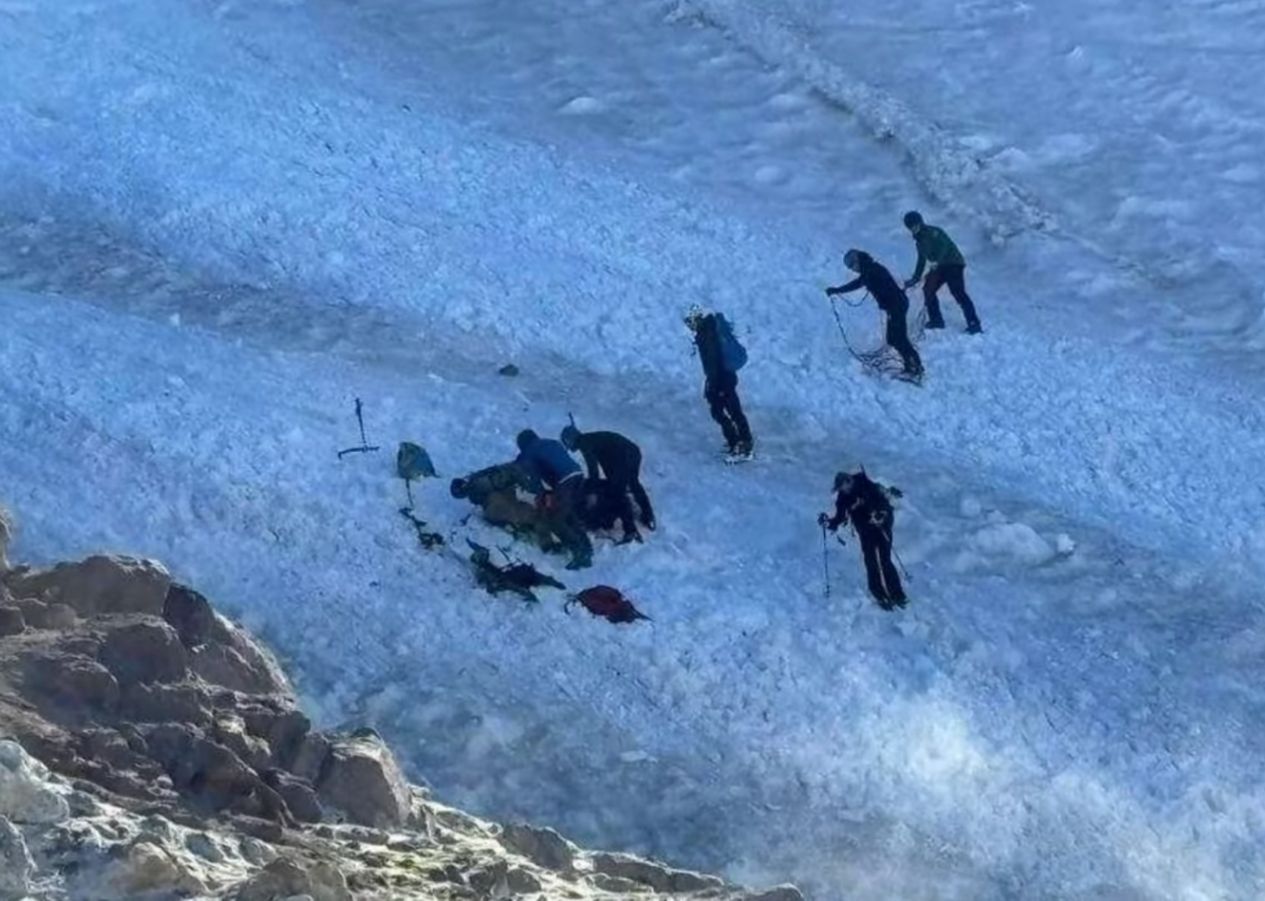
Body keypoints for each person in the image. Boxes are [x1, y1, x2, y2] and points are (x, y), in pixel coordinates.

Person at [826, 249, 924, 379]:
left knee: (898, 339)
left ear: (857, 261)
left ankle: (914, 367)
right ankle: (913, 366)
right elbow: (861, 282)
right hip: (896, 306)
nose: (852, 270)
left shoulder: (870, 270)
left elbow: (857, 284)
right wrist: (837, 290)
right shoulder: (870, 268)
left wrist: (837, 290)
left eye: (851, 266)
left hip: (896, 306)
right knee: (895, 338)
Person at [818, 470, 907, 610]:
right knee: (871, 561)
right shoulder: (843, 498)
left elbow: (884, 503)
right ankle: (879, 594)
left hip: (882, 526)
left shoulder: (867, 485)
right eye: (840, 489)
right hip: (865, 530)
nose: (842, 491)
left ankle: (898, 594)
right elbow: (839, 517)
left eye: (843, 487)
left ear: (849, 481)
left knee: (885, 560)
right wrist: (828, 523)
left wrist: (881, 515)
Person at [561, 425, 655, 542]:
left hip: (622, 458)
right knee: (634, 484)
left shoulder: (584, 442)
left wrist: (591, 488)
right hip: (633, 452)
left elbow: (593, 469)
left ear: (570, 440)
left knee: (617, 494)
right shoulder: (593, 438)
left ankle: (631, 530)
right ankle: (648, 516)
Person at [515, 429, 593, 570]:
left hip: (564, 480)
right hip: (578, 474)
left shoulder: (527, 452)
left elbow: (532, 477)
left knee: (555, 519)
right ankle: (586, 546)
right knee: (568, 513)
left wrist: (541, 493)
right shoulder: (552, 442)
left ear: (522, 444)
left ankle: (579, 552)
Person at [684, 305, 754, 459]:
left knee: (723, 412)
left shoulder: (706, 336)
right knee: (731, 411)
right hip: (724, 377)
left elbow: (712, 361)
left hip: (720, 379)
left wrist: (713, 384)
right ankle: (741, 441)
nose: (689, 326)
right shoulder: (710, 330)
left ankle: (740, 444)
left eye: (690, 322)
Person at [902, 211, 982, 334]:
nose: (913, 229)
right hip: (939, 267)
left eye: (915, 225)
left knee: (958, 292)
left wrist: (937, 261)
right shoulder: (919, 242)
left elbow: (944, 246)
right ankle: (936, 320)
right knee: (928, 289)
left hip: (953, 263)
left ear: (920, 223)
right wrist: (915, 278)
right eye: (910, 227)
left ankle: (974, 324)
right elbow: (921, 260)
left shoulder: (934, 232)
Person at [449, 462, 557, 551]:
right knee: (527, 514)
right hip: (505, 496)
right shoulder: (475, 482)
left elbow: (504, 476)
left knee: (530, 516)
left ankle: (547, 542)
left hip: (502, 501)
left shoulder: (478, 485)